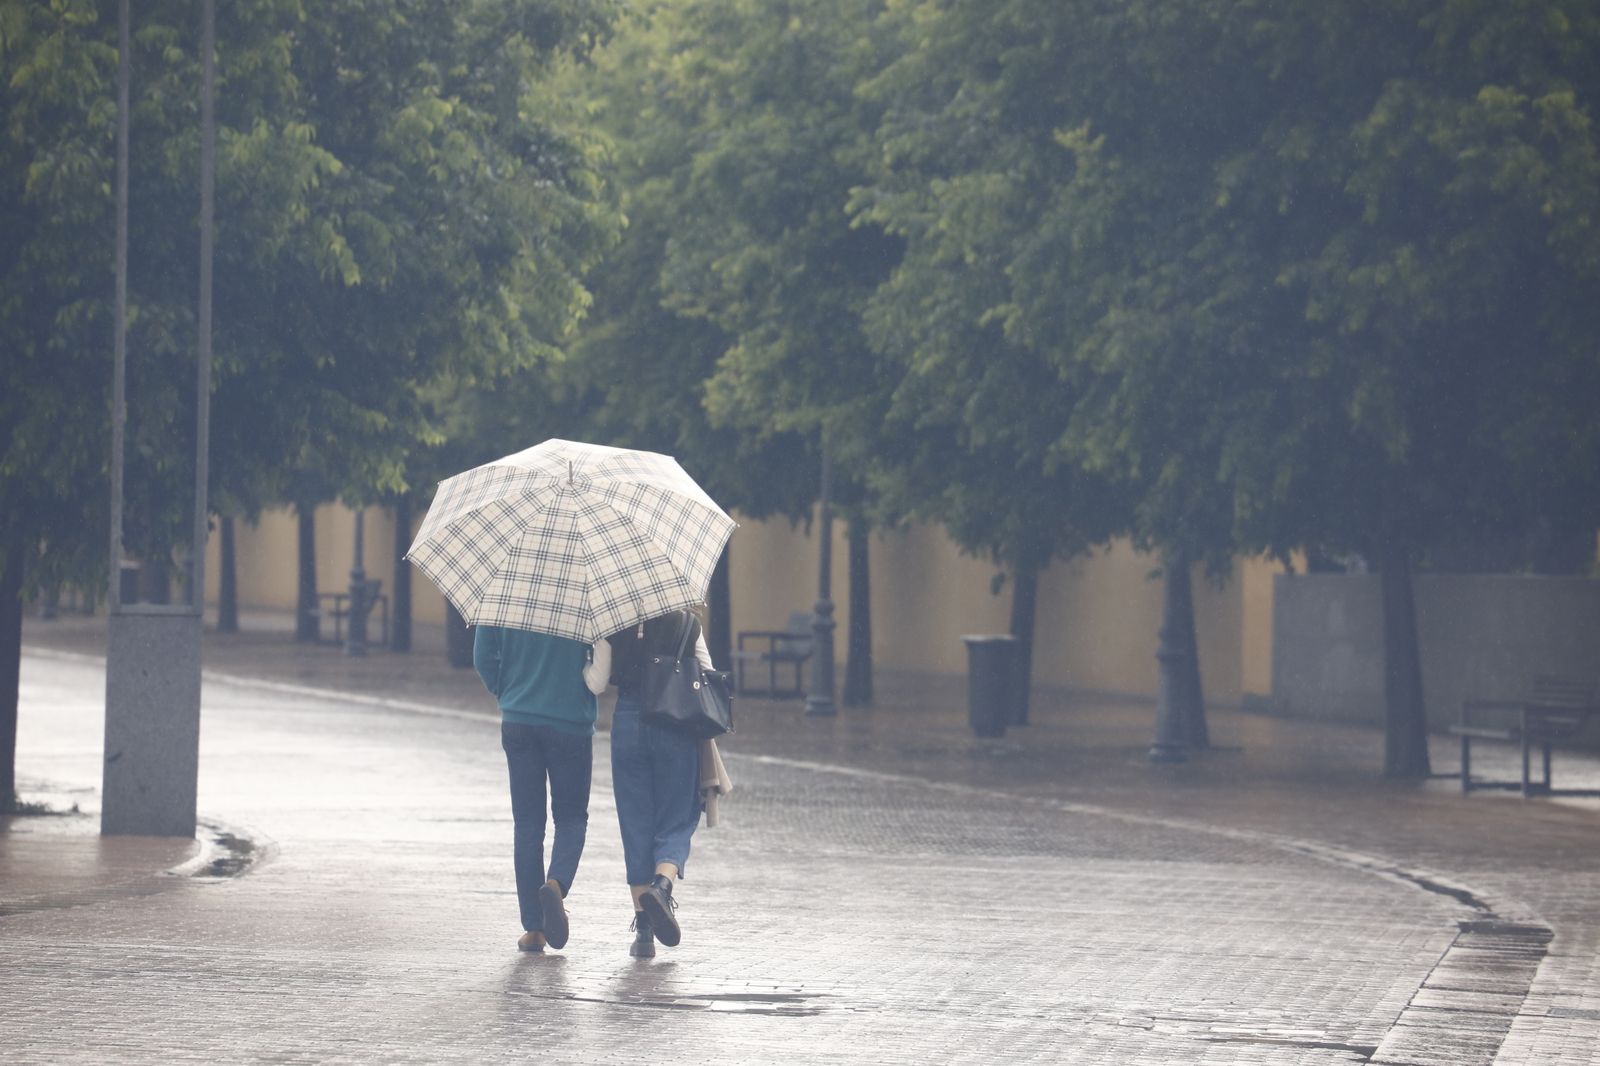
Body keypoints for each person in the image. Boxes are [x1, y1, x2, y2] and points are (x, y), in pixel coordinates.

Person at [473, 624, 608, 953]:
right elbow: (602, 667)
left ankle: (534, 928)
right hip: (570, 722)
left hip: (519, 718)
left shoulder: (506, 588)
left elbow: (482, 657)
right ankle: (555, 885)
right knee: (571, 817)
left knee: (528, 824)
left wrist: (506, 691)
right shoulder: (584, 589)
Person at [592, 608, 717, 957]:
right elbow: (707, 673)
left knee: (635, 822)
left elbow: (597, 683)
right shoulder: (687, 623)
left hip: (629, 721)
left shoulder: (613, 621)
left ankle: (644, 931)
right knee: (679, 813)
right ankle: (662, 886)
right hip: (675, 719)